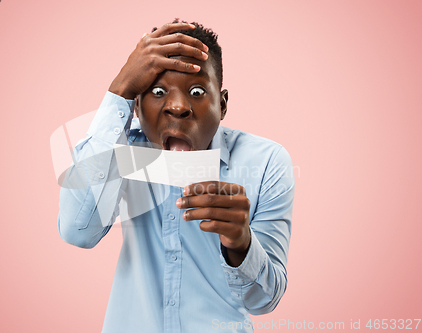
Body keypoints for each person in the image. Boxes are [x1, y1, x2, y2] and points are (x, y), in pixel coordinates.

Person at [58, 19, 295, 333]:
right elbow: (78, 231)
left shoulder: (265, 161)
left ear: (222, 104)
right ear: (138, 106)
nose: (179, 107)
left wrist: (241, 244)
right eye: (158, 92)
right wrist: (119, 91)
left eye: (197, 91)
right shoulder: (120, 147)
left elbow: (264, 301)